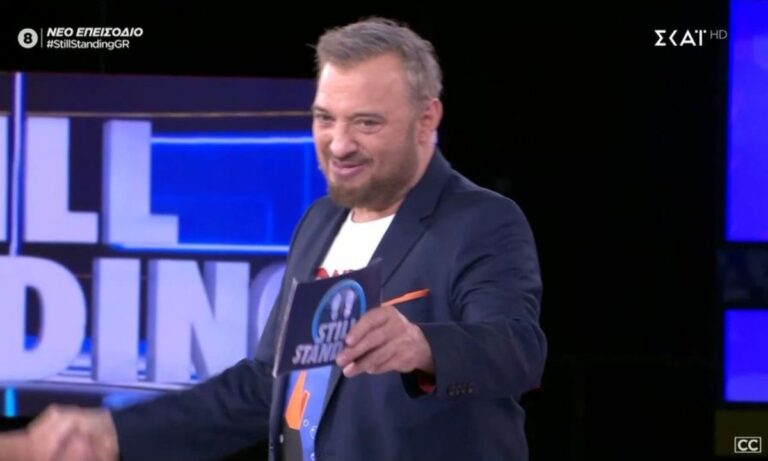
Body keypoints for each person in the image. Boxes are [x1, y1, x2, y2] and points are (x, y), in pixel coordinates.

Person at [0, 17, 546, 461]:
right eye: (325, 118)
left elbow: (518, 349)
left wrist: (424, 346)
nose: (339, 144)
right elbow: (266, 384)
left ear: (427, 120)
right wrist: (114, 434)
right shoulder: (319, 223)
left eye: (366, 123)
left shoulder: (481, 221)